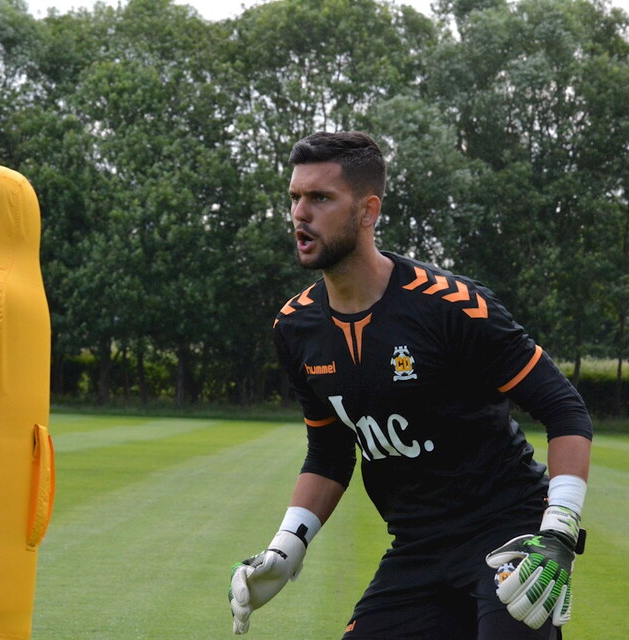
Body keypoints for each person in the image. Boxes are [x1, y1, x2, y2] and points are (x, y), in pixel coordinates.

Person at [227, 131, 593, 639]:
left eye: (320, 198)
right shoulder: (295, 327)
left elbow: (564, 409)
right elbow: (329, 453)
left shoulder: (452, 306)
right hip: (417, 549)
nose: (300, 214)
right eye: (294, 197)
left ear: (368, 211)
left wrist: (558, 531)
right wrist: (287, 546)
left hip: (509, 533)